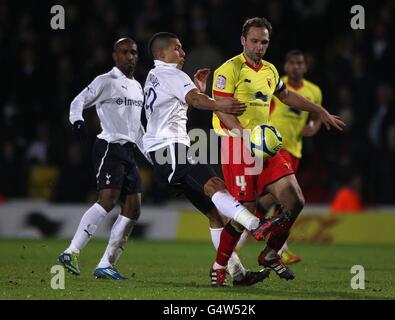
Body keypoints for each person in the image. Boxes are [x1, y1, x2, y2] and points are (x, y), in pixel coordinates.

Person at [211, 17, 345, 286]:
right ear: (243, 40)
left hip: (265, 144)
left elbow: (286, 97)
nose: (260, 47)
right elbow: (221, 109)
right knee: (244, 213)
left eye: (264, 42)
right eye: (255, 41)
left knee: (295, 201)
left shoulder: (270, 70)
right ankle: (219, 266)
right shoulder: (229, 70)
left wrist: (319, 110)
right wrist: (244, 135)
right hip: (237, 147)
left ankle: (271, 253)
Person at [144, 32, 280, 287]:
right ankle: (255, 223)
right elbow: (193, 100)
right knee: (216, 185)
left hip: (161, 154)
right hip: (171, 149)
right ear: (162, 54)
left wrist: (197, 91)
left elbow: (180, 103)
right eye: (177, 49)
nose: (183, 53)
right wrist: (220, 104)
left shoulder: (153, 75)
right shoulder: (173, 75)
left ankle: (237, 273)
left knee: (215, 214)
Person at [58, 38, 145, 280]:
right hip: (109, 147)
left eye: (134, 52)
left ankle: (106, 264)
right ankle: (71, 251)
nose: (130, 56)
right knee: (107, 200)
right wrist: (77, 121)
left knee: (133, 208)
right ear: (115, 56)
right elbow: (78, 101)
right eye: (125, 52)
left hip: (128, 151)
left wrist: (153, 153)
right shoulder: (105, 81)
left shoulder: (137, 87)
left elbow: (137, 128)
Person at [254, 49, 323, 264]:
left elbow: (314, 115)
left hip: (295, 150)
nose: (296, 67)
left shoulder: (314, 91)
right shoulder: (275, 83)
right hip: (275, 150)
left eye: (300, 63)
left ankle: (256, 228)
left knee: (278, 202)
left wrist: (314, 126)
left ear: (305, 66)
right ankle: (273, 246)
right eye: (292, 63)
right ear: (286, 66)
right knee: (284, 200)